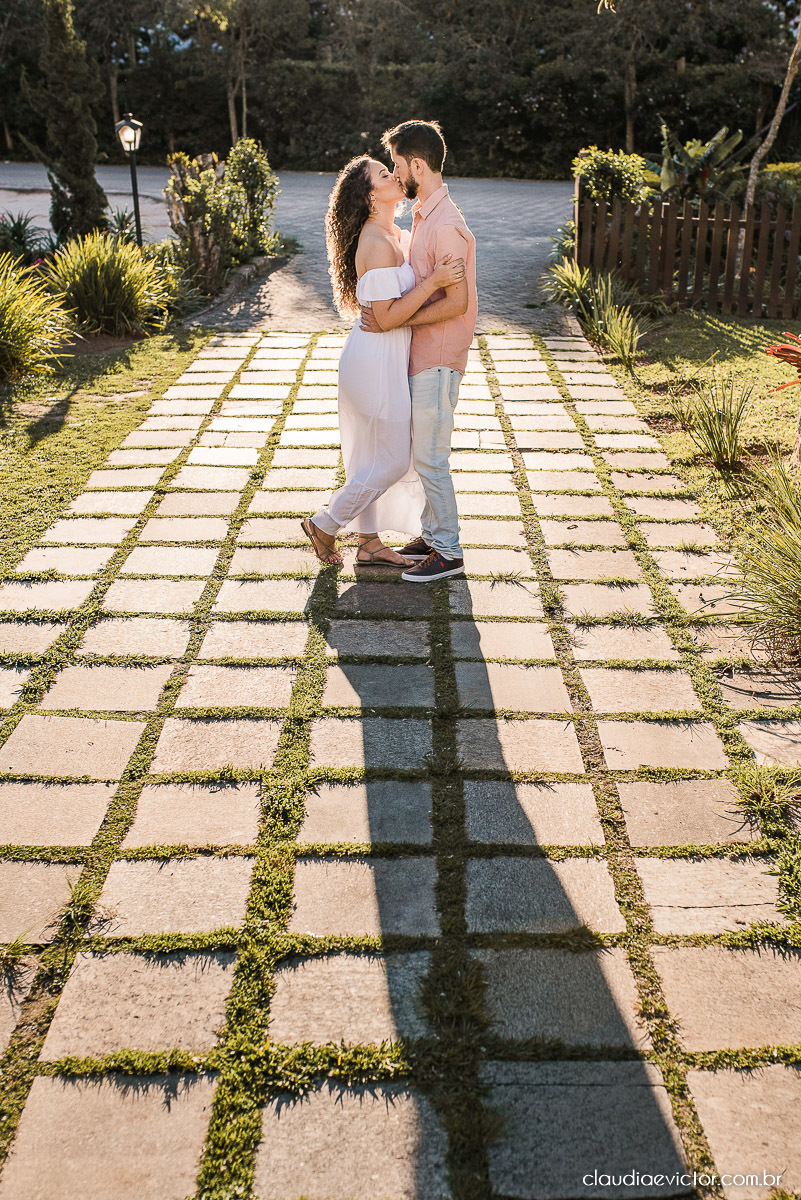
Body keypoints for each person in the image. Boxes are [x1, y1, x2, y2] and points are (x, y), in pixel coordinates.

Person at [300, 154, 465, 567]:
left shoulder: (398, 235)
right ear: (371, 195)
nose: (394, 176)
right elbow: (388, 318)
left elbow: (396, 309)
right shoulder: (374, 243)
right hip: (373, 360)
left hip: (388, 358)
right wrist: (434, 282)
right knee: (392, 460)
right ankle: (325, 522)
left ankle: (370, 544)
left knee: (369, 458)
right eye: (384, 174)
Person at [361, 119, 478, 583]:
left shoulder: (446, 224)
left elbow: (458, 301)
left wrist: (398, 320)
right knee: (426, 451)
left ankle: (448, 551)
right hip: (424, 356)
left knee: (431, 458)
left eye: (396, 165)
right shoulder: (424, 215)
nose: (395, 173)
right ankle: (432, 536)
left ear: (417, 164)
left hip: (438, 358)